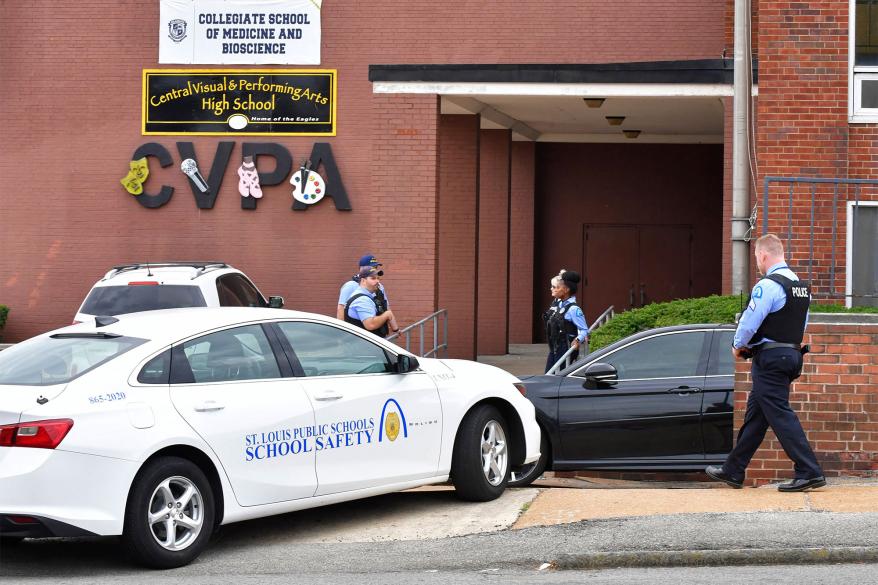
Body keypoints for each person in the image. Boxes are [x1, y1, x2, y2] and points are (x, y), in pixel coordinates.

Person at [706, 233, 825, 492]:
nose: (758, 265)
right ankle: (733, 470)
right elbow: (800, 325)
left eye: (757, 259)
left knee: (780, 415)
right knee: (757, 417)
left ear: (763, 255)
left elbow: (750, 321)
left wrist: (738, 346)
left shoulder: (768, 285)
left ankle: (809, 471)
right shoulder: (800, 287)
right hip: (791, 355)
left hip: (770, 359)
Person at [543, 269, 589, 373]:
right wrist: (562, 275)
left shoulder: (573, 309)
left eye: (557, 287)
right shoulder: (558, 304)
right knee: (548, 375)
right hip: (554, 349)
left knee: (557, 378)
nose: (553, 289)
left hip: (566, 349)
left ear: (566, 289)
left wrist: (577, 340)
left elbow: (584, 330)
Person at [344, 266, 399, 337]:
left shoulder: (366, 296)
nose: (377, 281)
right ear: (363, 281)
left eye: (378, 278)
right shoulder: (362, 300)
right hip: (361, 345)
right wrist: (387, 314)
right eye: (373, 278)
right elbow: (370, 324)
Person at [337, 253, 390, 320]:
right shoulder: (350, 286)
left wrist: (395, 328)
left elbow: (386, 308)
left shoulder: (380, 286)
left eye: (376, 267)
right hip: (358, 328)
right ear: (361, 269)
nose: (374, 270)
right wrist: (342, 330)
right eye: (372, 267)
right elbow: (341, 309)